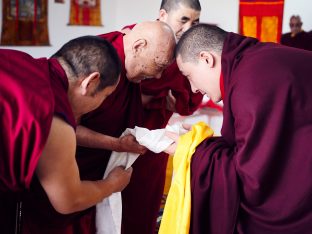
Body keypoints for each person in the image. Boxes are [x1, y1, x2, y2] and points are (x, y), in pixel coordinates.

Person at [12, 21, 176, 234]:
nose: (158, 77)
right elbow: (67, 199)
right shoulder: (58, 113)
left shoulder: (21, 65)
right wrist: (112, 179)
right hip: (57, 183)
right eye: (105, 95)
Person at [169, 23, 312, 233]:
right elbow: (262, 145)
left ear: (206, 59)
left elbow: (254, 178)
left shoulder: (249, 85)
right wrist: (198, 143)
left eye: (189, 75)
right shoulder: (254, 59)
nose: (193, 88)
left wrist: (193, 151)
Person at [0, 36, 132, 233]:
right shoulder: (53, 116)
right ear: (91, 82)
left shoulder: (15, 60)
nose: (102, 103)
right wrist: (112, 184)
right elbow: (69, 200)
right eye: (105, 96)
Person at [120, 1, 203, 233]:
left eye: (195, 22)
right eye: (183, 20)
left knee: (144, 203)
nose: (189, 29)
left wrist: (171, 101)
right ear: (163, 15)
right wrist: (147, 99)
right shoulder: (135, 36)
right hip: (119, 129)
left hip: (153, 140)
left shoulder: (184, 55)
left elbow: (189, 103)